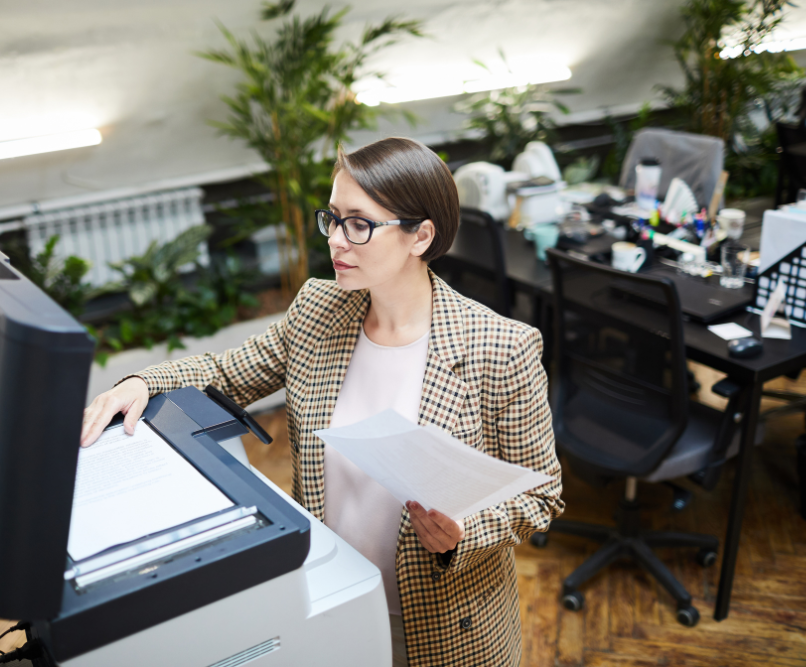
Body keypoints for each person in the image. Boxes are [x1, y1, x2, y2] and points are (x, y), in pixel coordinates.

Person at [80, 137, 564, 666]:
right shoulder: (319, 309)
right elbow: (223, 373)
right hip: (331, 599)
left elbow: (541, 496)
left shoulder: (500, 347)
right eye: (332, 218)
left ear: (420, 236)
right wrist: (142, 383)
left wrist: (462, 532)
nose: (336, 239)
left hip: (446, 624)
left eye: (359, 224)